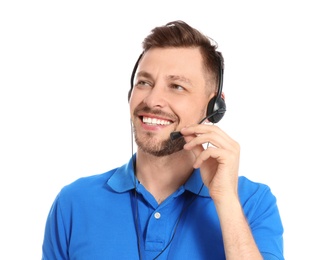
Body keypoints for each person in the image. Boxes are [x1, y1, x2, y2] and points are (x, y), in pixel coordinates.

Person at [42, 20, 284, 260]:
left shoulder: (252, 202)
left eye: (176, 86)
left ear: (214, 106)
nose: (152, 99)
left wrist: (226, 201)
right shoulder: (74, 202)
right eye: (144, 83)